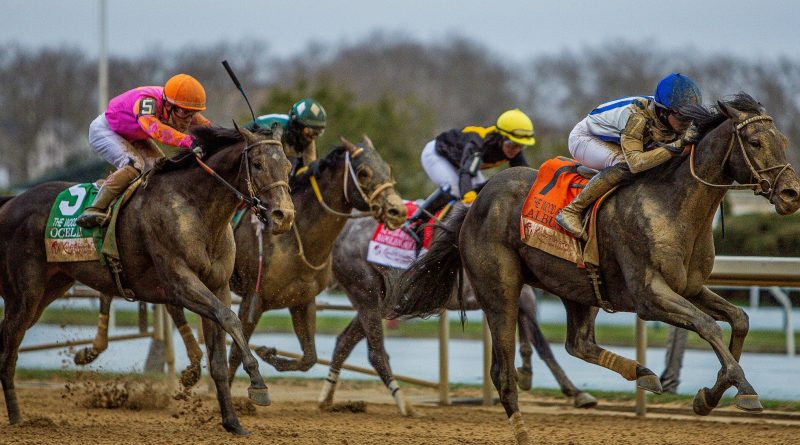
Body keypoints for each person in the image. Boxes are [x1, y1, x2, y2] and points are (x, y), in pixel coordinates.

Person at [555, 73, 702, 239]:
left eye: (691, 117)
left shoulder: (669, 116)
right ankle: (572, 211)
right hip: (585, 138)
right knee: (624, 164)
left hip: (617, 142)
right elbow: (636, 163)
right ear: (664, 111)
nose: (687, 123)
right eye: (682, 117)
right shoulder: (636, 116)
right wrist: (676, 146)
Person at [76, 74, 211, 228]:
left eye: (192, 113)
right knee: (134, 165)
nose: (188, 119)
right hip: (105, 130)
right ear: (168, 105)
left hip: (133, 134)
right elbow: (155, 129)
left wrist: (222, 139)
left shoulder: (177, 103)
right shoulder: (147, 102)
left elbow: (207, 127)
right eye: (184, 112)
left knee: (161, 167)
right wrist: (189, 141)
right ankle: (95, 208)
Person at [420, 108, 536, 205]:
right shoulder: (479, 143)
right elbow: (466, 172)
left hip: (460, 162)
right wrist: (468, 198)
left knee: (483, 194)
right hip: (436, 154)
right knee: (455, 189)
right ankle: (415, 221)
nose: (516, 150)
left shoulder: (514, 150)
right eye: (512, 144)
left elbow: (526, 177)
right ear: (501, 137)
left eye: (521, 146)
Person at [249, 98, 327, 170]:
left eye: (318, 133)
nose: (312, 137)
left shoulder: (307, 138)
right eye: (309, 131)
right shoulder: (276, 130)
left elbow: (310, 169)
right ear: (297, 125)